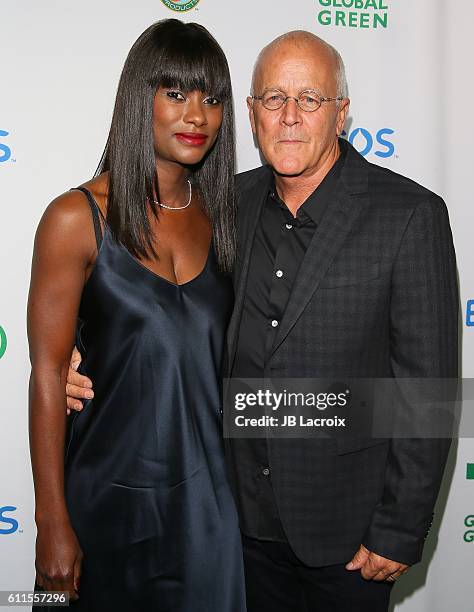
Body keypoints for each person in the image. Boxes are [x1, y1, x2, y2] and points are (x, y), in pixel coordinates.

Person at [66, 30, 459, 612]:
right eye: (274, 99)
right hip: (234, 527)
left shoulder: (409, 215)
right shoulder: (225, 205)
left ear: (342, 113)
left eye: (311, 99)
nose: (291, 117)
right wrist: (78, 356)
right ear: (251, 115)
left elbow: (427, 392)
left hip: (347, 539)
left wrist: (399, 527)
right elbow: (159, 302)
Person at [28, 19, 246, 612]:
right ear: (137, 98)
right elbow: (48, 375)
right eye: (175, 93)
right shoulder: (76, 218)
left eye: (212, 97)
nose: (196, 114)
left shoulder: (229, 218)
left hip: (209, 510)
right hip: (106, 503)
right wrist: (51, 522)